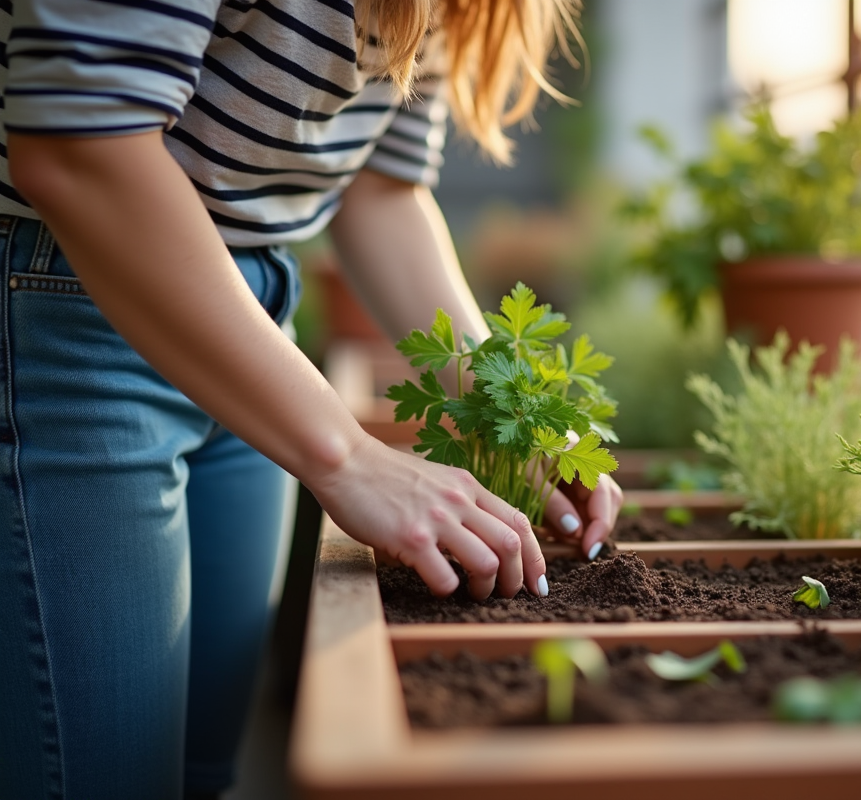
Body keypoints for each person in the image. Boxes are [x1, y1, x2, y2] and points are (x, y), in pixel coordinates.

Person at [0, 0, 620, 797]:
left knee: (199, 772)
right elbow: (79, 147)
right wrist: (349, 455)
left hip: (253, 330)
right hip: (73, 308)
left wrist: (521, 416)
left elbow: (382, 190)